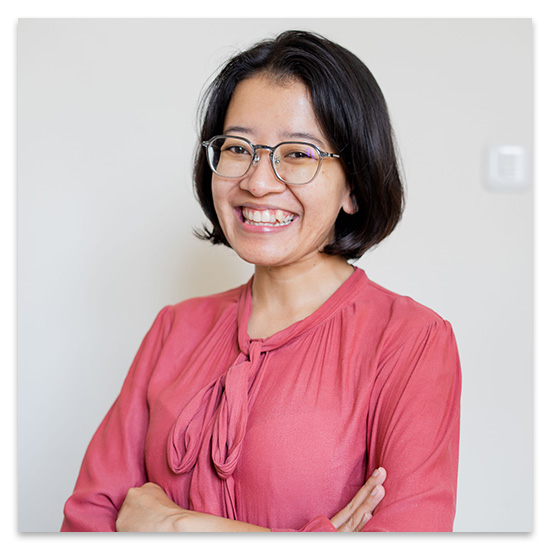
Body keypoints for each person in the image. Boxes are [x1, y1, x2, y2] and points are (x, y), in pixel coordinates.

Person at [61, 30, 461, 533]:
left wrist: (178, 529)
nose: (257, 181)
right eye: (238, 148)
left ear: (354, 187)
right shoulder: (173, 329)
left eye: (298, 153)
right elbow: (87, 524)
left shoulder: (411, 342)